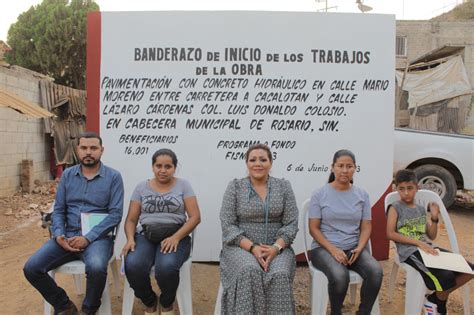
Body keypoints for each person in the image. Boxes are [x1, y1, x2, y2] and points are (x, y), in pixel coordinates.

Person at [23, 131, 124, 315]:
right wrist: (59, 234)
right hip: (67, 236)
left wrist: (88, 238)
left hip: (97, 239)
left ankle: (89, 309)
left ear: (101, 150)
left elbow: (115, 215)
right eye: (84, 147)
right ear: (78, 150)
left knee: (96, 267)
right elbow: (59, 209)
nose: (88, 152)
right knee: (32, 268)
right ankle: (64, 306)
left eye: (93, 148)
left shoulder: (114, 177)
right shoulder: (68, 175)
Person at [219, 143, 299, 314]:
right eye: (253, 159)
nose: (258, 164)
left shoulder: (284, 187)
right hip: (241, 247)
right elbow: (227, 224)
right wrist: (253, 247)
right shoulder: (235, 187)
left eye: (263, 159)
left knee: (279, 274)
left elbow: (291, 223)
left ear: (270, 163)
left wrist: (276, 248)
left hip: (276, 247)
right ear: (246, 163)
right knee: (249, 271)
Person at [121, 149, 201, 315]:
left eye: (168, 166)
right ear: (152, 167)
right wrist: (130, 239)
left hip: (176, 236)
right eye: (158, 166)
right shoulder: (141, 187)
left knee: (166, 267)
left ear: (174, 168)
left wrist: (176, 237)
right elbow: (130, 220)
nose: (163, 170)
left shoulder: (183, 185)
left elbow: (195, 217)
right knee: (133, 265)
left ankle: (166, 302)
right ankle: (149, 301)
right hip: (146, 236)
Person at [386, 169, 473, 315]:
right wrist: (418, 243)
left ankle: (434, 300)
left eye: (410, 188)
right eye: (401, 189)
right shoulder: (395, 208)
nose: (406, 193)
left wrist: (434, 217)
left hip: (429, 248)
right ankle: (437, 304)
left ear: (417, 188)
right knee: (446, 277)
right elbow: (390, 233)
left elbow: (431, 236)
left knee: (469, 270)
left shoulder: (420, 209)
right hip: (410, 252)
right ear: (396, 189)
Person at [308, 149, 383, 315]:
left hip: (353, 248)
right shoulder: (320, 194)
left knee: (375, 272)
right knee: (340, 276)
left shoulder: (362, 194)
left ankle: (363, 312)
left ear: (355, 168)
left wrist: (360, 247)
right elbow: (313, 228)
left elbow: (366, 226)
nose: (344, 170)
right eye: (340, 165)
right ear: (332, 167)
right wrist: (333, 250)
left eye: (349, 166)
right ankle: (336, 312)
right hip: (324, 249)